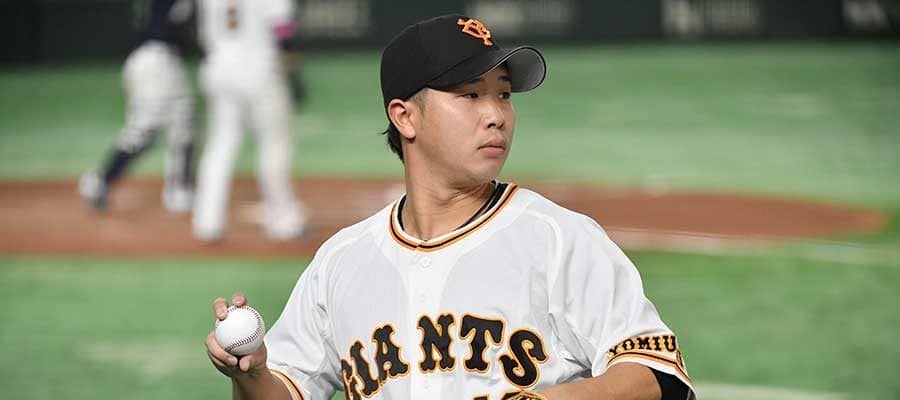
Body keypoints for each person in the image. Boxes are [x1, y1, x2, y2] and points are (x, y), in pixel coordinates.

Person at [204, 14, 696, 400]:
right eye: (470, 95)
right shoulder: (341, 262)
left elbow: (658, 373)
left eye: (503, 95)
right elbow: (287, 390)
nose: (496, 115)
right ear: (405, 117)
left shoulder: (557, 239)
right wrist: (251, 374)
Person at [192, 0, 306, 242]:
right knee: (274, 141)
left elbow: (203, 36)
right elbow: (282, 30)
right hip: (260, 69)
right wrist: (293, 71)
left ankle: (207, 222)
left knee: (222, 141)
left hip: (218, 68)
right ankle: (284, 220)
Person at [79, 0, 196, 213]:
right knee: (143, 134)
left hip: (160, 63)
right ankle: (100, 180)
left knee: (184, 126)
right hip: (155, 63)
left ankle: (179, 191)